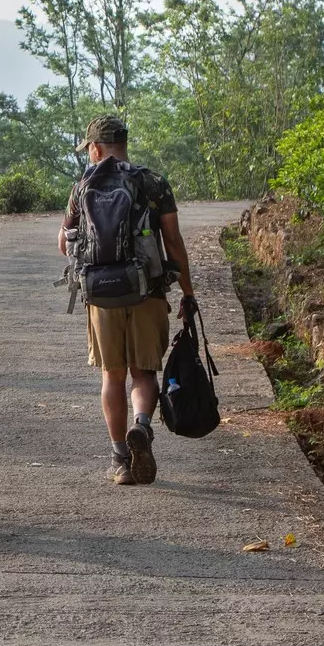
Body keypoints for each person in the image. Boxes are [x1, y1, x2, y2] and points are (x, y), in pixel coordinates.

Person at [59, 114, 196, 486]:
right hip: (147, 290)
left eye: (89, 149)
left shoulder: (82, 186)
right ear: (123, 144)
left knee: (112, 374)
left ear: (96, 147)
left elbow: (63, 241)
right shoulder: (152, 182)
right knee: (144, 372)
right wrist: (187, 292)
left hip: (101, 297)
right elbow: (174, 240)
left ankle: (120, 459)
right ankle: (144, 427)